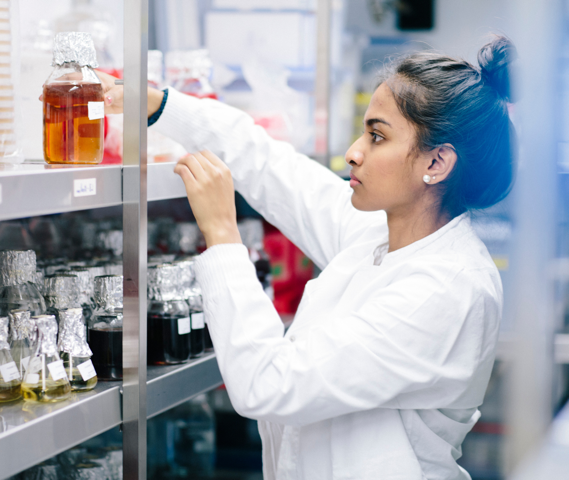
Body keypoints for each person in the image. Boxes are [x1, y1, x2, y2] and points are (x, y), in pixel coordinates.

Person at [104, 36, 516, 480]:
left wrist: (223, 235)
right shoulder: (382, 237)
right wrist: (161, 105)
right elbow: (270, 166)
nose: (354, 152)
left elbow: (269, 384)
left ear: (436, 163)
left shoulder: (445, 289)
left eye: (377, 136)